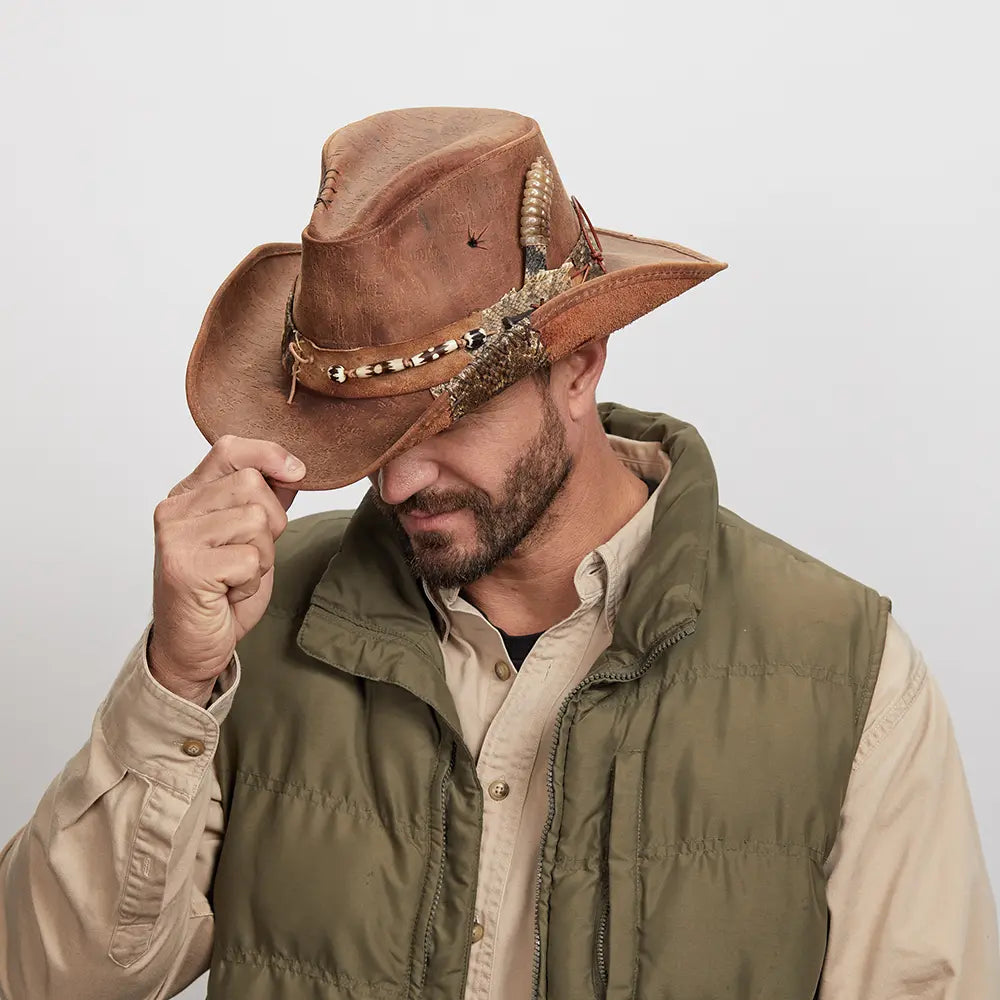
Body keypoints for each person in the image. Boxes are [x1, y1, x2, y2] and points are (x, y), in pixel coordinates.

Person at [1, 106, 997, 1000]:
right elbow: (45, 977)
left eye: (444, 421)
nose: (395, 483)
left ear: (579, 363)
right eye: (371, 437)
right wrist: (176, 680)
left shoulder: (844, 673)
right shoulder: (250, 627)